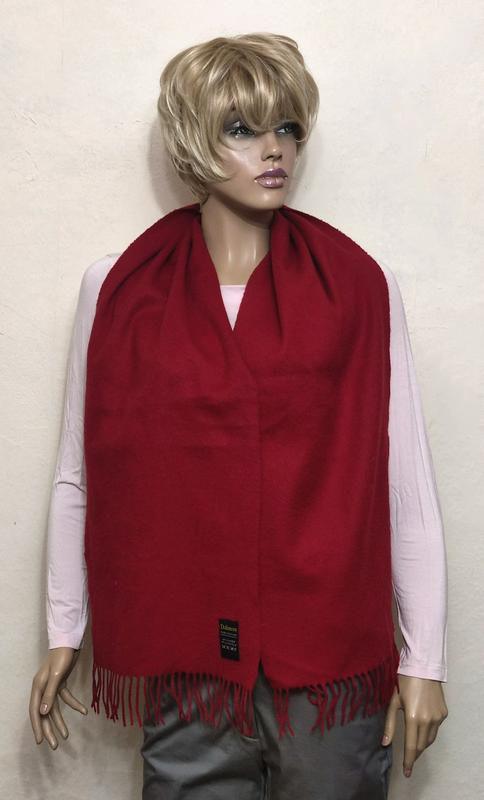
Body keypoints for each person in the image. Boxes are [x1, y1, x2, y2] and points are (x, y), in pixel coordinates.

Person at [29, 32, 448, 799]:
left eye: (287, 127)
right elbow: (78, 474)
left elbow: (404, 480)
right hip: (186, 660)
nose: (274, 149)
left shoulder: (360, 285)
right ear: (194, 139)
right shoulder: (117, 288)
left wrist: (424, 660)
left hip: (327, 667)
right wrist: (64, 631)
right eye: (242, 129)